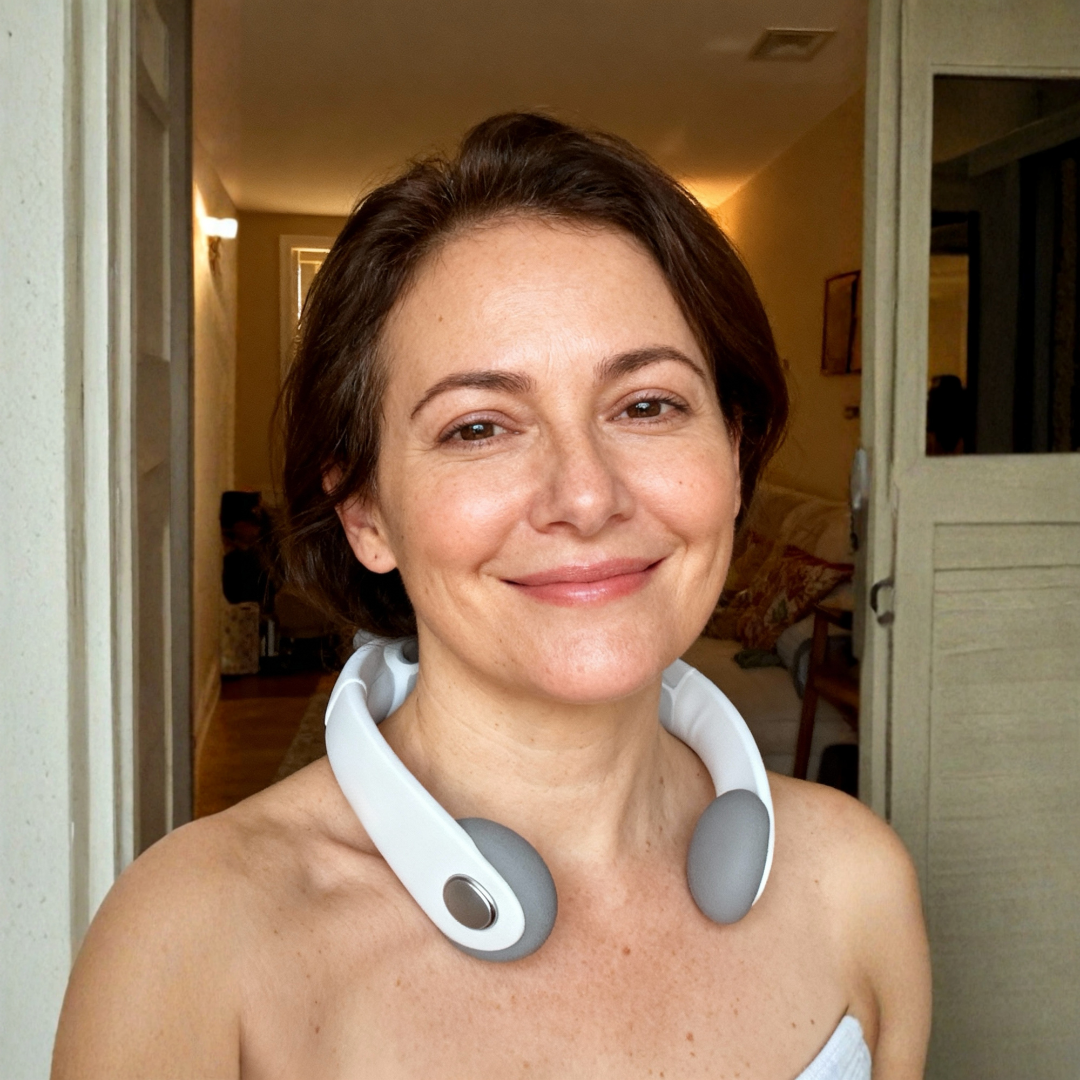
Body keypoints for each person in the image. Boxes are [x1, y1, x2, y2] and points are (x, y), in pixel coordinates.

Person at [53, 113, 930, 1079]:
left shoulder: (857, 884)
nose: (586, 497)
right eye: (478, 427)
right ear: (365, 513)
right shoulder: (191, 945)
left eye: (647, 405)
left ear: (732, 453)